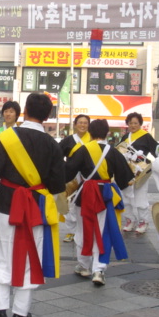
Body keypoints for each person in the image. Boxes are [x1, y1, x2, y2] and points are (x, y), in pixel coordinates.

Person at [0, 93, 65, 317]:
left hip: (4, 205)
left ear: (24, 111)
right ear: (48, 116)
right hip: (35, 208)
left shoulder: (9, 137)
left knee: (0, 254)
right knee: (30, 258)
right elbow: (56, 185)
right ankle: (21, 313)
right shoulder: (53, 145)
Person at [65, 119, 134, 285]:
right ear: (107, 133)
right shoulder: (113, 151)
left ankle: (84, 266)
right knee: (102, 232)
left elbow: (68, 172)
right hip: (105, 194)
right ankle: (99, 270)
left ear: (91, 131)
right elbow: (125, 179)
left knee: (83, 230)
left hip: (86, 194)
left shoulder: (83, 149)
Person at [119, 112, 158, 233]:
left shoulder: (146, 136)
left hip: (141, 172)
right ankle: (130, 220)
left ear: (140, 124)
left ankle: (143, 222)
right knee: (126, 197)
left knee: (140, 197)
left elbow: (157, 151)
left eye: (135, 123)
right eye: (130, 123)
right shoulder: (125, 137)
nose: (133, 125)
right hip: (126, 172)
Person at [58, 114, 91, 243]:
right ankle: (72, 231)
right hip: (71, 177)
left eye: (85, 123)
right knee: (70, 205)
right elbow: (57, 154)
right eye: (80, 122)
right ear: (75, 124)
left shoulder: (92, 139)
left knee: (86, 205)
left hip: (88, 176)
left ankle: (84, 231)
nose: (82, 125)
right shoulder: (68, 140)